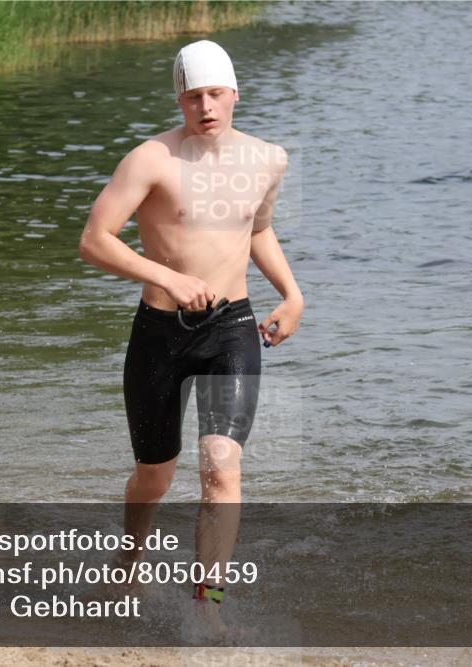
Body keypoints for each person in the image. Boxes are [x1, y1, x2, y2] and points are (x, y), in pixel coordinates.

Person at [78, 39, 304, 635]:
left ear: (235, 94)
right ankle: (129, 560)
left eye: (215, 94)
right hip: (159, 330)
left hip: (231, 327)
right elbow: (95, 240)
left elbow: (258, 229)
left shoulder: (267, 159)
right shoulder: (151, 159)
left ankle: (207, 603)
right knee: (155, 471)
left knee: (221, 467)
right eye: (193, 96)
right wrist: (168, 277)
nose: (206, 106)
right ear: (179, 99)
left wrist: (292, 294)